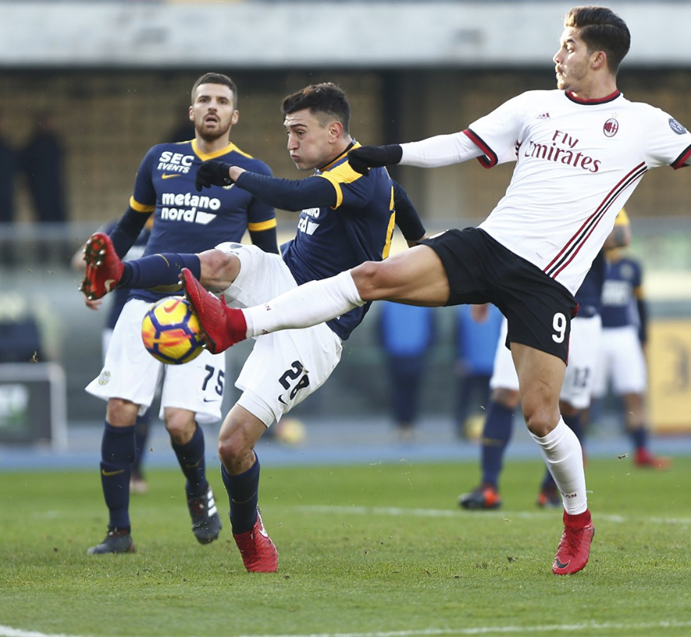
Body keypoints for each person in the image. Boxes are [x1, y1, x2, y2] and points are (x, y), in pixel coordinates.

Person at [177, 6, 691, 576]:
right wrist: (391, 152)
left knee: (542, 417)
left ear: (598, 57)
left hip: (546, 285)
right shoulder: (532, 106)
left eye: (569, 45)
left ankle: (578, 521)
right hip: (488, 247)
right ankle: (240, 325)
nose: (557, 54)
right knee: (373, 277)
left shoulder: (643, 125)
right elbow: (459, 145)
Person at [82, 82, 426, 572]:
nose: (291, 143)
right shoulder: (368, 174)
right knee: (222, 260)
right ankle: (121, 273)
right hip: (284, 277)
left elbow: (294, 196)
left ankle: (248, 533)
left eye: (299, 132)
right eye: (288, 132)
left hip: (319, 326)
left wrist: (233, 172)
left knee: (232, 443)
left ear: (334, 131)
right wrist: (424, 246)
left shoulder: (357, 173)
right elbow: (403, 204)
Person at [77, 73, 279, 556]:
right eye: (204, 99)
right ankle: (118, 532)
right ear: (191, 112)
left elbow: (268, 254)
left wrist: (270, 313)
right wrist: (99, 274)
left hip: (204, 315)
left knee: (178, 423)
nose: (212, 106)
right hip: (144, 303)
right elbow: (129, 225)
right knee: (120, 409)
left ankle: (197, 490)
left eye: (222, 101)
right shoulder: (160, 159)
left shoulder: (253, 173)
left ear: (234, 115)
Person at [458, 210, 631, 514]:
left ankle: (551, 490)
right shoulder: (535, 192)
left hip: (581, 312)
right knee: (504, 392)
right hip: (526, 304)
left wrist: (570, 226)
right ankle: (488, 486)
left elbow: (622, 236)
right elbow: (501, 237)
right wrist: (483, 294)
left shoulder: (598, 190)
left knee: (570, 406)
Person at [72, 217, 154, 494]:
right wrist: (98, 266)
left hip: (157, 329)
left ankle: (136, 468)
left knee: (143, 401)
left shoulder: (167, 227)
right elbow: (79, 259)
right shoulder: (118, 228)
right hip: (118, 328)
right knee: (119, 400)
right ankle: (121, 468)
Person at [594, 248, 667, 466]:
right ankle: (577, 450)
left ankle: (641, 450)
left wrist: (643, 336)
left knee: (634, 392)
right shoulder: (589, 261)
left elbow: (640, 304)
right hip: (595, 331)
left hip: (624, 333)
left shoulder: (631, 267)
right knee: (584, 398)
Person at [376, 302, 436, 440]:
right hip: (396, 354)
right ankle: (400, 423)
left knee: (413, 390)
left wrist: (427, 349)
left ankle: (411, 423)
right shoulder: (389, 305)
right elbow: (380, 328)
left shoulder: (423, 305)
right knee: (398, 391)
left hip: (416, 354)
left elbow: (432, 328)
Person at [452, 304, 502, 440]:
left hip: (491, 365)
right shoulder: (463, 312)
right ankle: (461, 427)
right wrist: (460, 358)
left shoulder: (497, 312)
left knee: (489, 400)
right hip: (469, 365)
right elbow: (457, 337)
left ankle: (490, 428)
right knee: (465, 399)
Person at [20, 111, 68, 225]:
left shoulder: (55, 142)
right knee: (43, 222)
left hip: (55, 190)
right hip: (40, 192)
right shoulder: (33, 145)